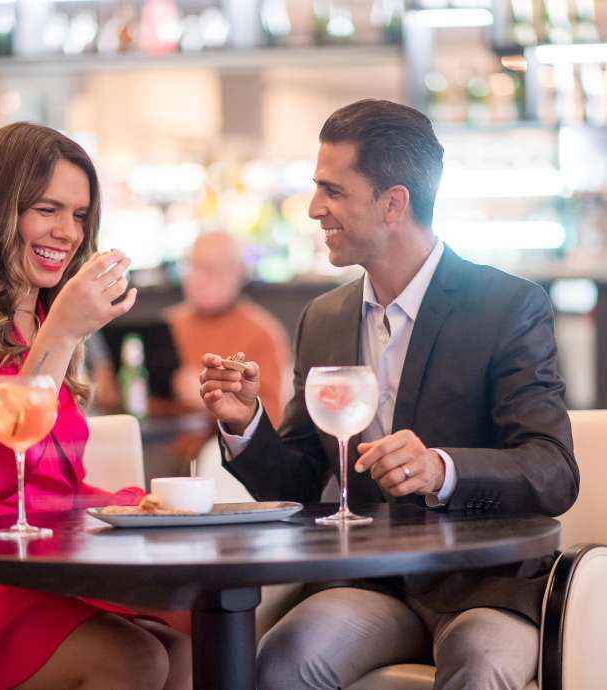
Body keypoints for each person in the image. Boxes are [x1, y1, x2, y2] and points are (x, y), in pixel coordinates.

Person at [198, 99, 579, 690]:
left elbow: (553, 471)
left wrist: (441, 469)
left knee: (480, 663)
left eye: (332, 191)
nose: (313, 209)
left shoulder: (507, 307)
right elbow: (298, 483)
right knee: (282, 660)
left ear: (393, 203)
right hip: (372, 583)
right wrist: (246, 421)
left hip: (485, 584)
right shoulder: (324, 318)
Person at [0, 122, 191, 690]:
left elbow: (56, 491)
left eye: (80, 215)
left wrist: (140, 507)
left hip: (47, 567)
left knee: (191, 643)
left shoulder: (46, 326)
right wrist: (62, 334)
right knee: (137, 659)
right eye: (47, 209)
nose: (68, 232)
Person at [160, 230, 291, 457]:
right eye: (191, 267)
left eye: (209, 269)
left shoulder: (262, 333)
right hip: (161, 447)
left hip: (223, 459)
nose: (196, 278)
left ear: (237, 274)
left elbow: (272, 420)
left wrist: (210, 402)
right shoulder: (168, 326)